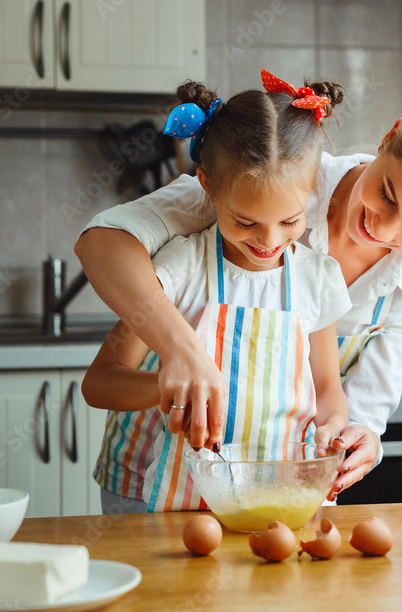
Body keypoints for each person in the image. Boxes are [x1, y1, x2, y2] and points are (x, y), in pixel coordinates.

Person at [76, 78, 402, 503]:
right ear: (390, 138)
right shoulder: (271, 178)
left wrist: (360, 438)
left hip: (271, 489)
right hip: (149, 473)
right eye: (388, 194)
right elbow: (104, 242)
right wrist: (182, 354)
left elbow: (354, 409)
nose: (382, 227)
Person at [82, 72, 352, 512]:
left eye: (290, 221)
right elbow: (99, 385)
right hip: (184, 508)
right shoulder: (180, 269)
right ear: (207, 186)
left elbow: (327, 387)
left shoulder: (318, 279)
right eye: (246, 222)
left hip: (279, 501)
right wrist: (167, 386)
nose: (268, 240)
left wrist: (334, 424)